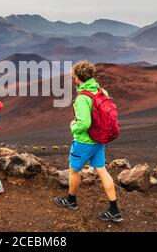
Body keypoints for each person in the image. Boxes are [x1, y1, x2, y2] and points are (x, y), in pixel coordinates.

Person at [53, 60, 123, 223]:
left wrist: (73, 126)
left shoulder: (82, 98)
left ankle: (71, 201)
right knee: (101, 170)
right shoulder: (101, 91)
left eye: (74, 77)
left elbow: (84, 123)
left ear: (77, 78)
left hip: (84, 141)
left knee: (73, 171)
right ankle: (114, 210)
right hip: (99, 140)